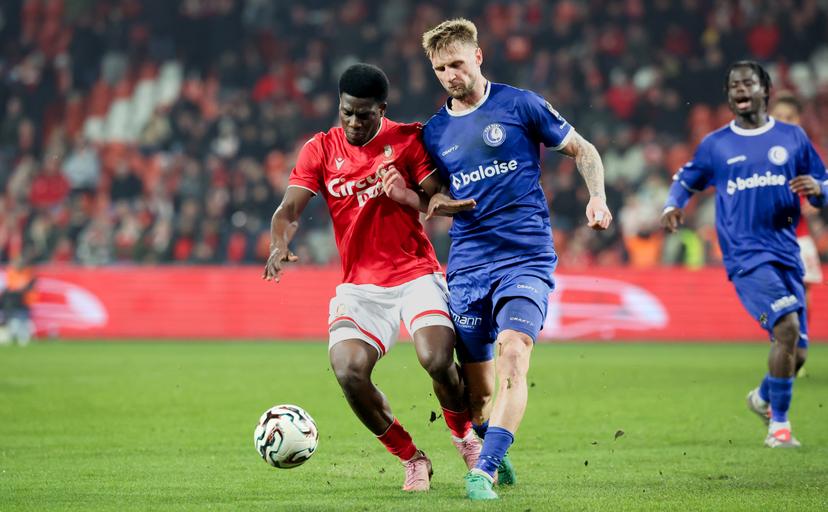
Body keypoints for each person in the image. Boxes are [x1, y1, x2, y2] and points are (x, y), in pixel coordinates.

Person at [383, 18, 612, 500]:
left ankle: (482, 471)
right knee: (479, 395)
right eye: (440, 68)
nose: (450, 75)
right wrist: (408, 196)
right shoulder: (436, 132)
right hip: (467, 265)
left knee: (514, 356)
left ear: (479, 57)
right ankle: (493, 444)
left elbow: (583, 148)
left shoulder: (520, 104)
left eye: (458, 64)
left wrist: (598, 199)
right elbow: (435, 199)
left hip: (526, 257)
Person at [262, 63, 481, 492]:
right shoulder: (320, 149)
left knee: (436, 359)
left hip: (415, 271)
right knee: (347, 371)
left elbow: (438, 196)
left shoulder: (406, 140)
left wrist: (413, 195)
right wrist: (278, 243)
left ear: (382, 109)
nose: (354, 122)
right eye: (347, 112)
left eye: (364, 114)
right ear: (339, 106)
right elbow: (288, 210)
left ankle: (464, 438)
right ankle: (412, 458)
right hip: (360, 286)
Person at [661, 61, 827, 448]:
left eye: (747, 82)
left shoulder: (793, 138)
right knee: (785, 329)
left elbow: (824, 185)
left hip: (787, 250)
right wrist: (672, 205)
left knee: (797, 352)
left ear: (765, 89)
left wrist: (817, 188)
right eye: (733, 85)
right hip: (744, 255)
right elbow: (686, 179)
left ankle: (762, 398)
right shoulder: (717, 144)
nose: (739, 89)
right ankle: (779, 427)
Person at [770, 91, 822, 376]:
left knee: (803, 294)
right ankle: (783, 350)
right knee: (779, 297)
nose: (784, 122)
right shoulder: (758, 150)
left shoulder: (804, 151)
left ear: (799, 120)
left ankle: (797, 349)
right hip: (769, 238)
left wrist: (814, 198)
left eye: (789, 118)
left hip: (799, 238)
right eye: (779, 117)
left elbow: (820, 184)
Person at [0, 256, 37, 346]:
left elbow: (29, 286)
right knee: (10, 321)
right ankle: (7, 336)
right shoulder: (9, 273)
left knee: (22, 321)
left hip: (23, 302)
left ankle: (22, 338)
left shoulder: (27, 273)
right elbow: (9, 288)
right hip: (11, 303)